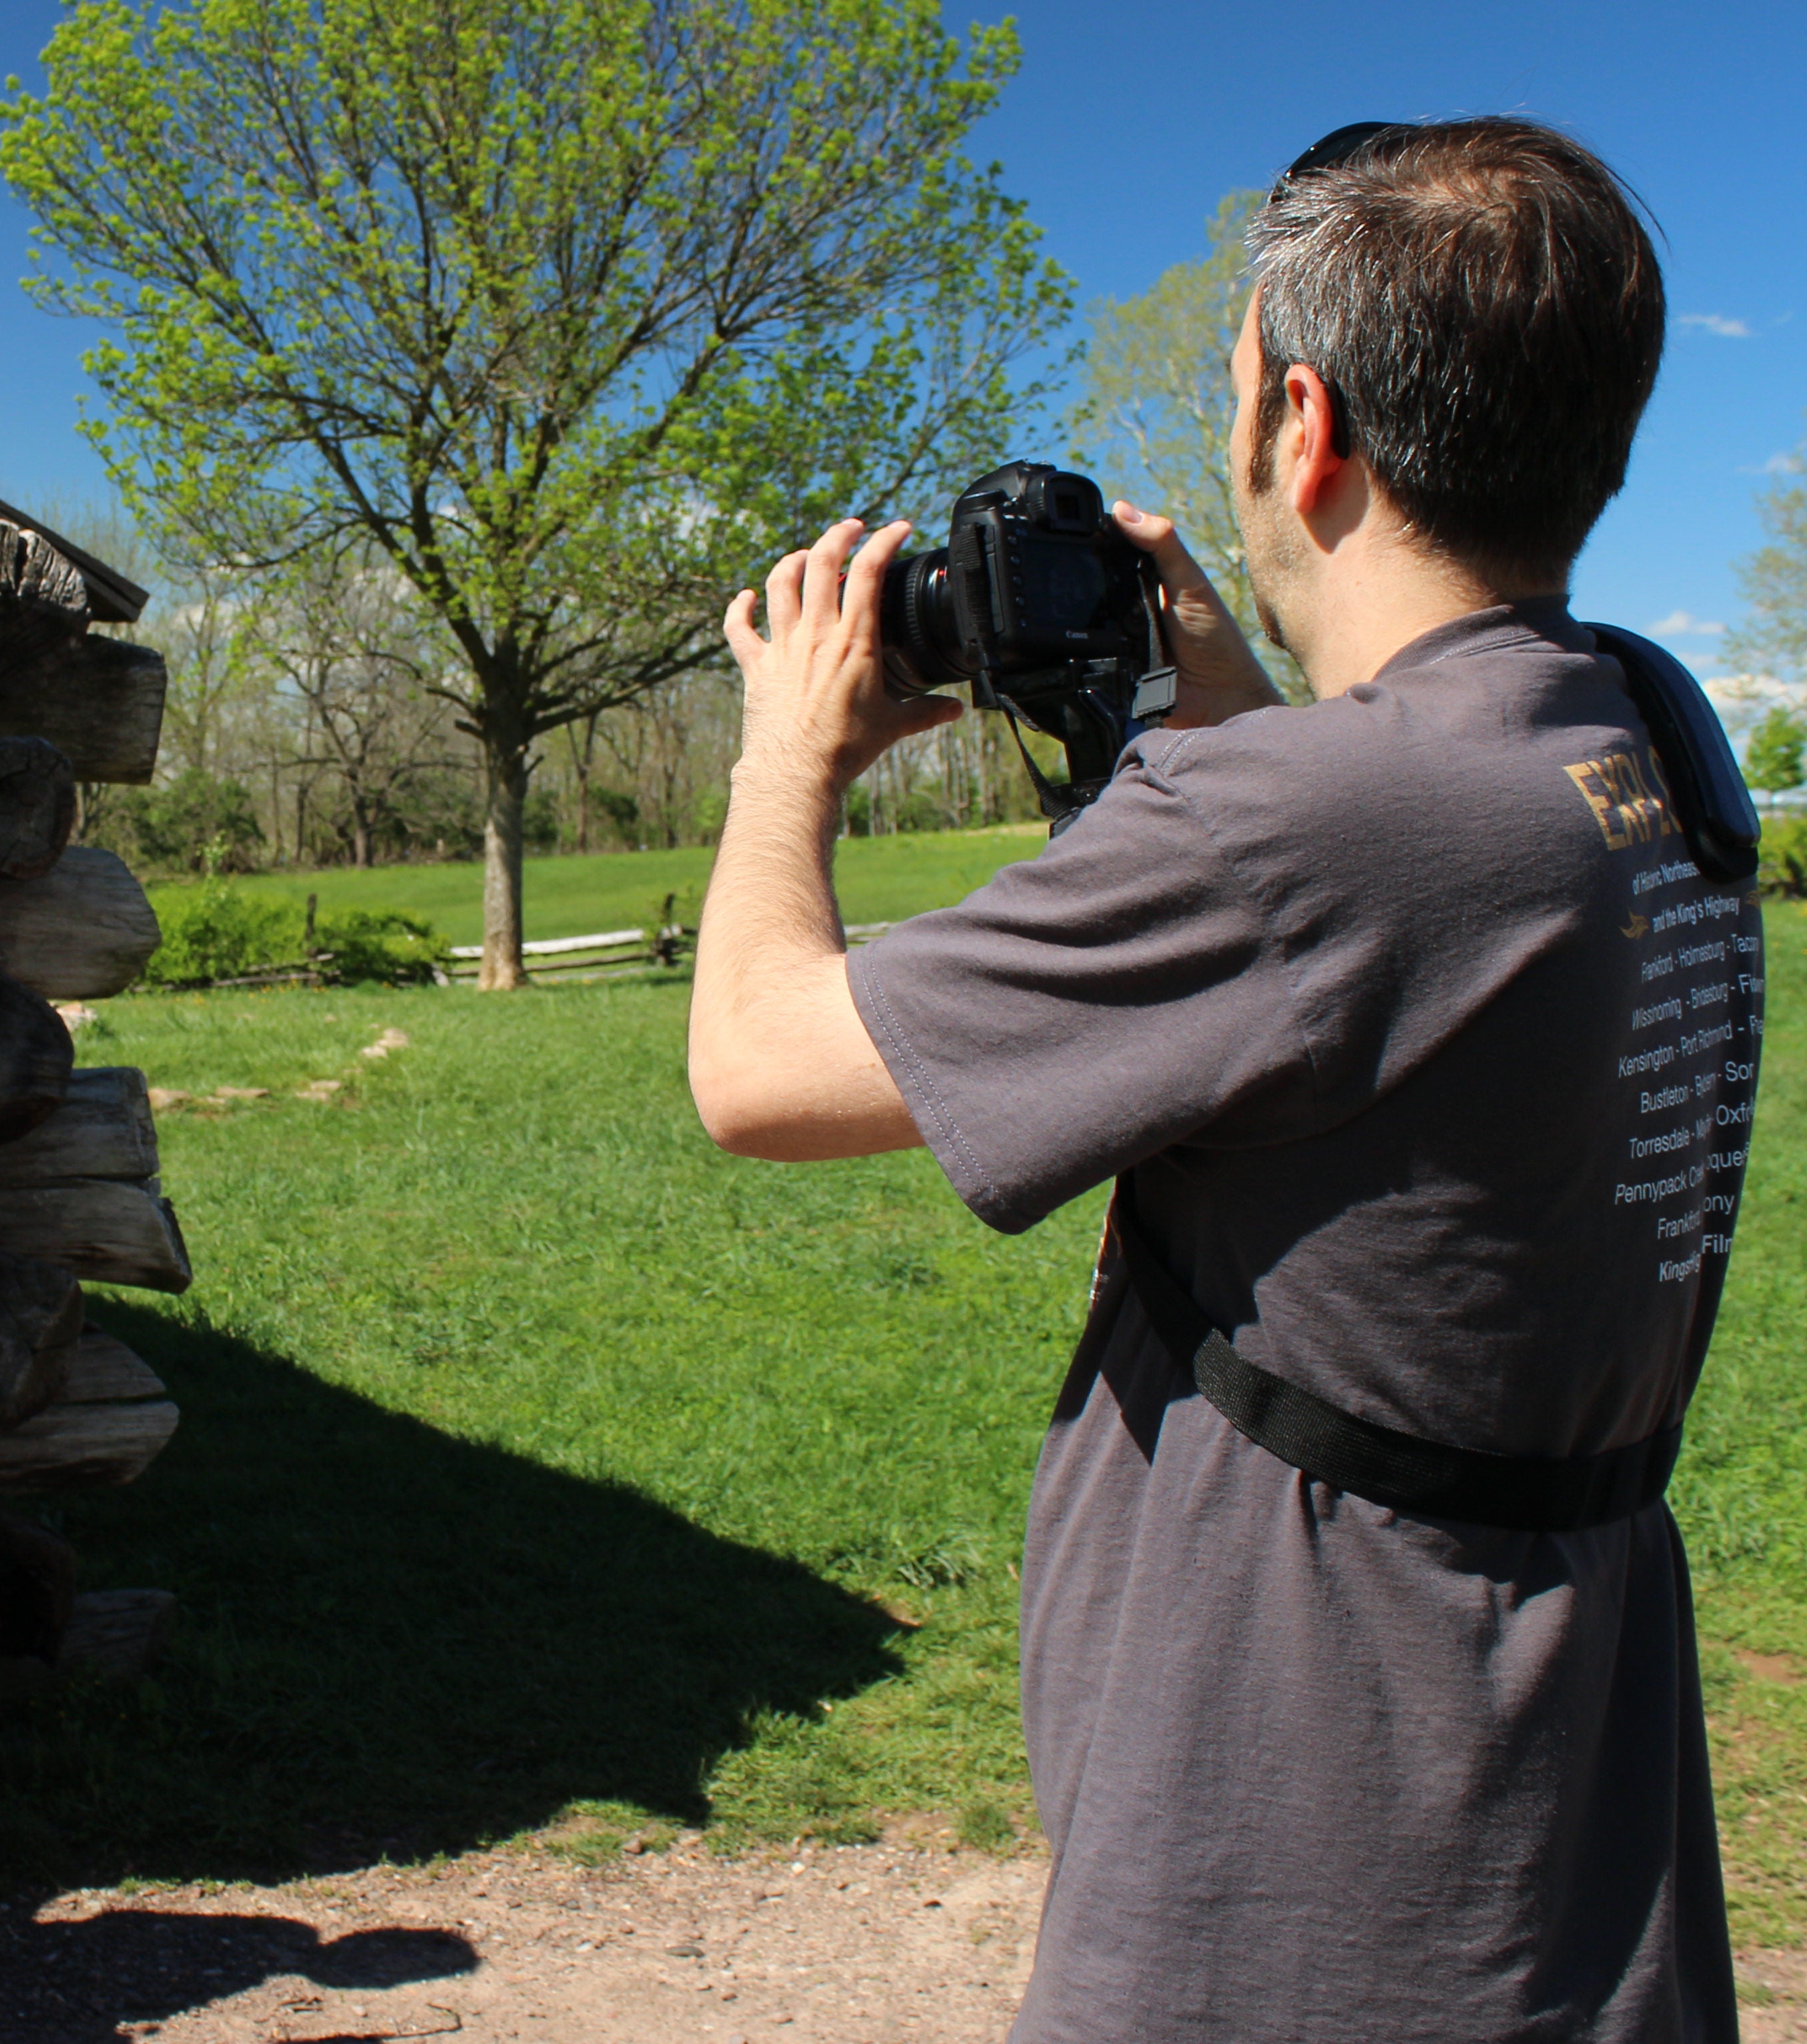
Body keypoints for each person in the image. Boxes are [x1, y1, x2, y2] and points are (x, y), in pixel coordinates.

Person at [689, 119, 1749, 2042]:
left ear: (1305, 424)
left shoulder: (1301, 826)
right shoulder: (1642, 732)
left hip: (1315, 1818)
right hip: (1557, 1749)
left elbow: (757, 1073)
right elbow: (1382, 959)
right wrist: (1228, 709)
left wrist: (791, 756)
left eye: (1242, 383)